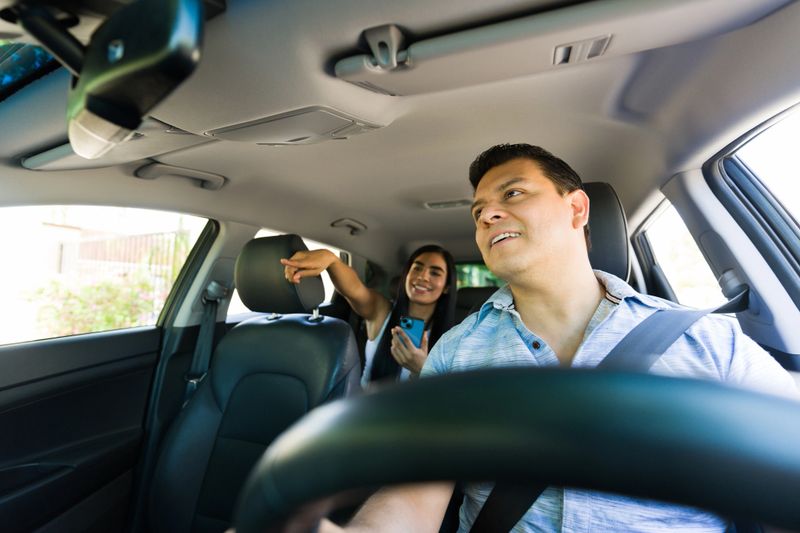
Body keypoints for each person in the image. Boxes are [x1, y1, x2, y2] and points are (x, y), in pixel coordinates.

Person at [319, 143, 799, 532]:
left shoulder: (706, 341)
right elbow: (418, 485)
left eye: (512, 194)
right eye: (479, 211)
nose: (487, 216)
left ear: (576, 208)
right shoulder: (457, 352)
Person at [281, 244, 457, 386]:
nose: (423, 277)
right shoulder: (382, 311)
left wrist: (422, 369)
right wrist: (331, 260)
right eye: (417, 268)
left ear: (447, 286)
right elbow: (355, 289)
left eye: (435, 273)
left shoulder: (455, 338)